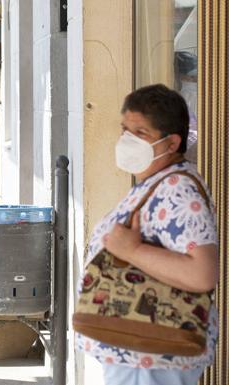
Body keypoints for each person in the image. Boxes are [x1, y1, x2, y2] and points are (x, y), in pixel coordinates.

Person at [76, 84, 219, 385]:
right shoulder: (158, 181)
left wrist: (133, 251)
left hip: (151, 353)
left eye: (140, 134)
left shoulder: (178, 189)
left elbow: (203, 273)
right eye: (125, 130)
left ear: (171, 143)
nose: (127, 140)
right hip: (141, 349)